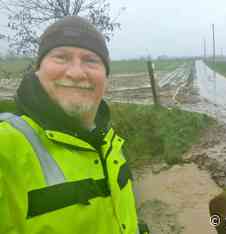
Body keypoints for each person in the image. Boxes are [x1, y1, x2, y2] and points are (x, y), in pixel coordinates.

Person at [0, 16, 148, 234]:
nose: (76, 73)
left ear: (106, 77)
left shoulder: (111, 145)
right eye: (61, 57)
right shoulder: (7, 145)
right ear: (38, 70)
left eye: (90, 60)